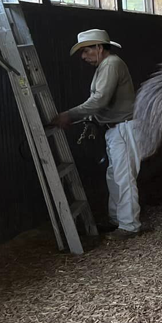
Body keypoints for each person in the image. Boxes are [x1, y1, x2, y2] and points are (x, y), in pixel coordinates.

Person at [53, 29, 141, 239]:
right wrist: (91, 119)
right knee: (115, 176)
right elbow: (102, 102)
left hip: (123, 127)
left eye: (85, 51)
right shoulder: (106, 65)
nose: (83, 57)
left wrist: (69, 115)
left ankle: (129, 226)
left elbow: (99, 100)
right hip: (115, 128)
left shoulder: (111, 64)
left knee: (123, 177)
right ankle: (117, 220)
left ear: (99, 48)